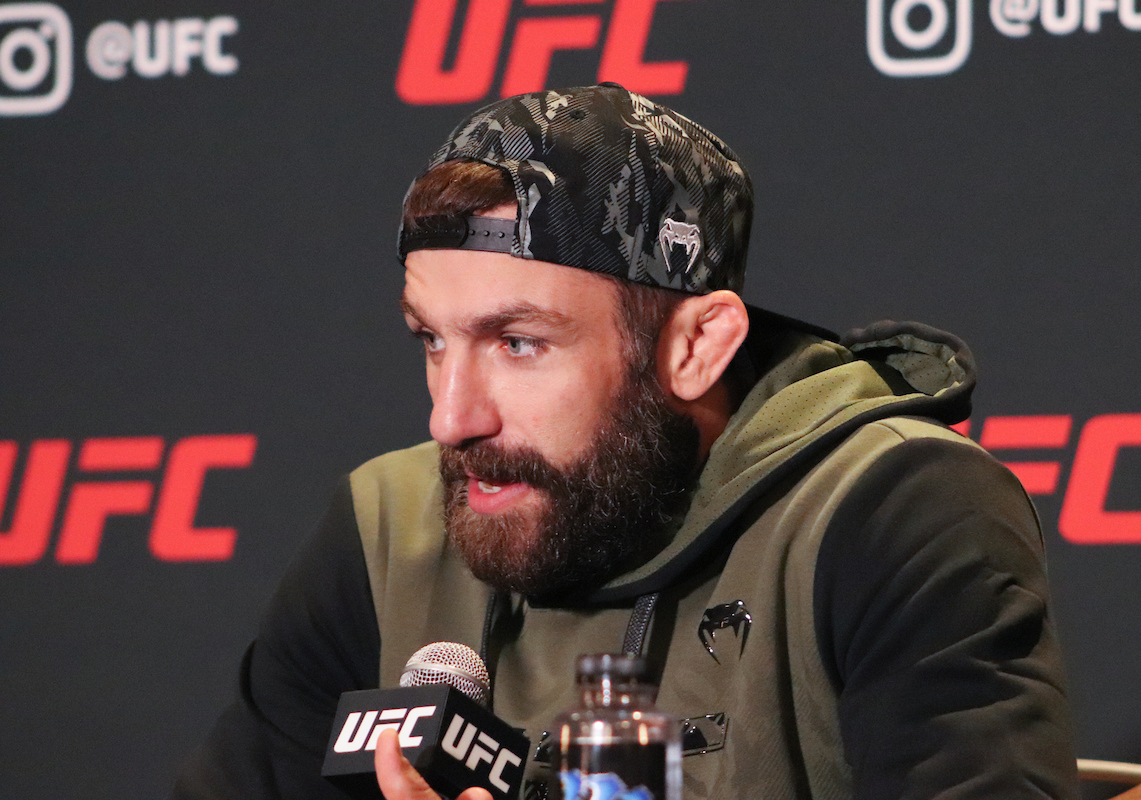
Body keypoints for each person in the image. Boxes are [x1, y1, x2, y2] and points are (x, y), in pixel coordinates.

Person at [172, 84, 1079, 800]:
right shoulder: (388, 530)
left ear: (695, 347)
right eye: (431, 340)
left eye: (518, 343)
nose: (451, 419)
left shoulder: (891, 510)